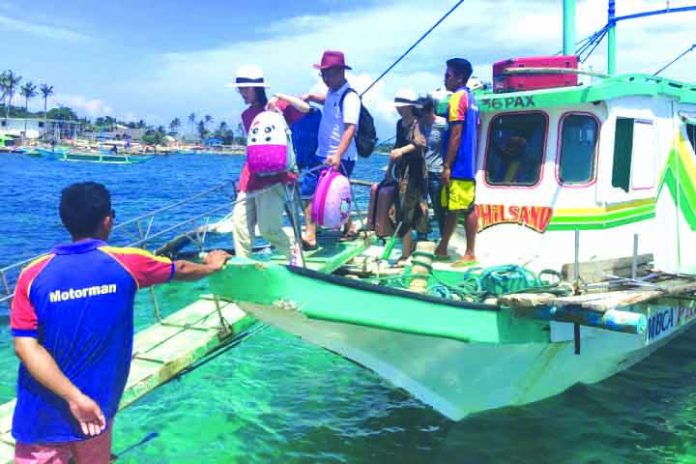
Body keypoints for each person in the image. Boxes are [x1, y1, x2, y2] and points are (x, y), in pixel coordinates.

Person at [10, 181, 230, 464]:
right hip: (96, 412)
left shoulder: (32, 275)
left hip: (41, 418)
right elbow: (182, 268)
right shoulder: (127, 263)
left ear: (66, 221)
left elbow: (25, 348)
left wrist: (72, 398)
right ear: (108, 221)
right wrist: (211, 266)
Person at [229, 65, 309, 260]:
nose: (242, 93)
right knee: (239, 226)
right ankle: (244, 264)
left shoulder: (278, 108)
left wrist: (280, 97)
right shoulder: (246, 116)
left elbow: (305, 108)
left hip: (275, 179)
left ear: (258, 88)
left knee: (268, 229)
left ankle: (294, 256)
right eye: (240, 89)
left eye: (246, 89)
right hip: (249, 178)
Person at [300, 50, 361, 250]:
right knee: (308, 190)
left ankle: (344, 226)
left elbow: (351, 128)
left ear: (340, 72)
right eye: (323, 74)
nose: (325, 78)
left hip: (340, 156)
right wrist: (311, 96)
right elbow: (329, 102)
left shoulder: (350, 97)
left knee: (337, 195)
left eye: (328, 74)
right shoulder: (332, 92)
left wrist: (337, 155)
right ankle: (312, 232)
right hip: (321, 153)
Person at [435, 58, 479, 264]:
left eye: (448, 75)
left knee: (467, 207)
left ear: (459, 78)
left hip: (459, 164)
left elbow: (456, 133)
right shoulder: (472, 99)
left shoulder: (457, 99)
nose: (445, 79)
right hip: (465, 162)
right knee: (453, 207)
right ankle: (443, 246)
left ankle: (470, 252)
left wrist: (447, 165)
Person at [388, 89, 428, 263]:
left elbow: (421, 142)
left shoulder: (417, 122)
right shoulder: (400, 124)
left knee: (408, 211)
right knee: (399, 209)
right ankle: (408, 248)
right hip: (402, 170)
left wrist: (402, 151)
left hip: (415, 172)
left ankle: (406, 253)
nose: (399, 110)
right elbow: (395, 149)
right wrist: (389, 170)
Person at [418, 95, 448, 237]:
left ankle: (444, 239)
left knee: (439, 208)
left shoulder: (443, 124)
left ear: (430, 111)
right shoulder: (419, 126)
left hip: (437, 171)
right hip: (421, 172)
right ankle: (422, 237)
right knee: (420, 206)